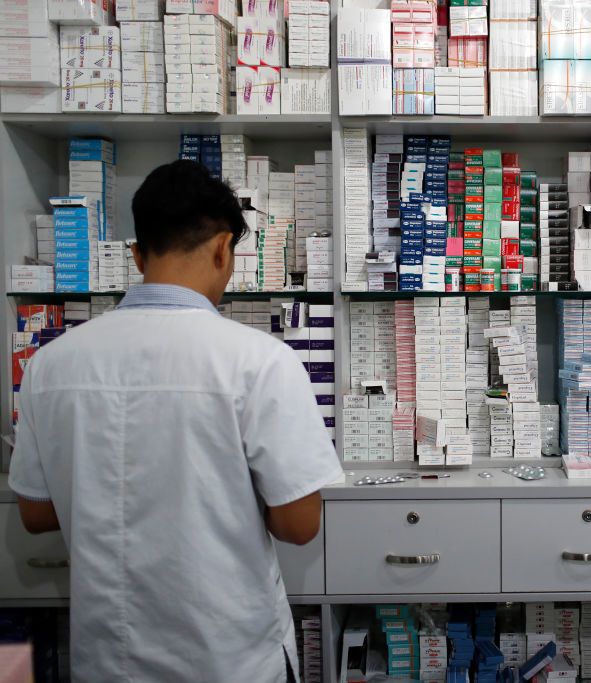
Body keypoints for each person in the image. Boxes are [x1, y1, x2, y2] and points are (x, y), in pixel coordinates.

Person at [8, 160, 343, 682]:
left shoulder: (50, 363)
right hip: (228, 657)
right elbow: (299, 526)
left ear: (137, 254)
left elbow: (35, 514)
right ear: (222, 248)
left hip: (107, 660)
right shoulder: (258, 360)